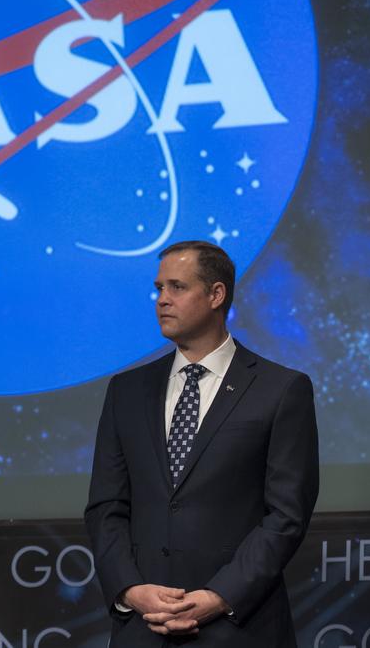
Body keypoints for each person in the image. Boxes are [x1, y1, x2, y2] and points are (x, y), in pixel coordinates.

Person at [85, 241, 319, 646]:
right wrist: (131, 591)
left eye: (177, 287)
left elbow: (286, 515)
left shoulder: (281, 390)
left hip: (238, 628)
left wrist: (219, 596)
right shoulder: (126, 391)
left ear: (216, 295)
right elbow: (106, 506)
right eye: (159, 288)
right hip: (143, 629)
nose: (162, 300)